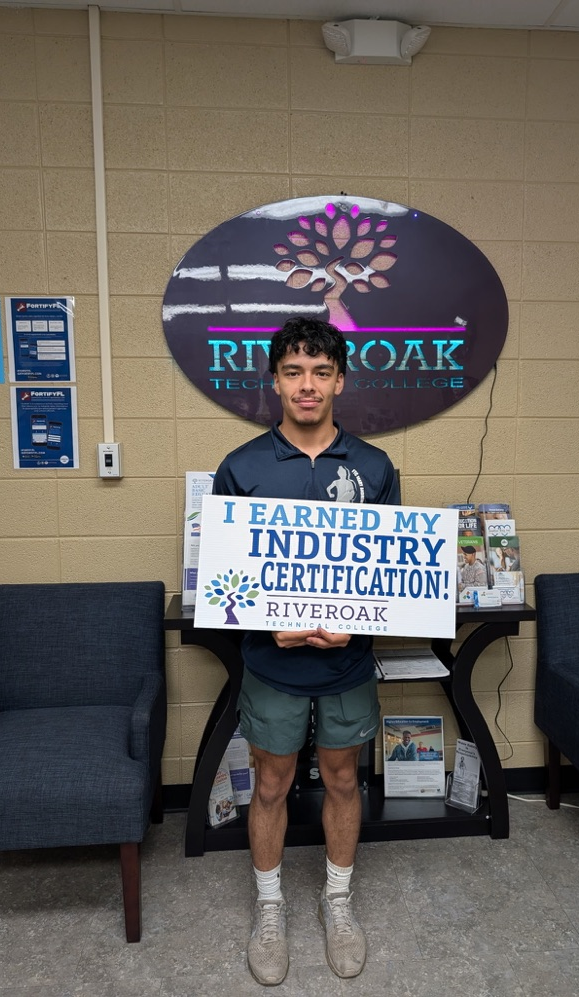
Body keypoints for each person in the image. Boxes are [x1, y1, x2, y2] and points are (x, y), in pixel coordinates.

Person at [212, 317, 400, 986]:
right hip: (273, 662)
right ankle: (270, 907)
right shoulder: (240, 467)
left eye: (321, 371)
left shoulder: (375, 468)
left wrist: (357, 624)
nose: (307, 384)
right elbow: (225, 581)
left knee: (345, 778)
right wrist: (267, 628)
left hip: (345, 663)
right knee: (270, 782)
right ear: (275, 381)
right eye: (293, 371)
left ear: (341, 380)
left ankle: (338, 900)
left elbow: (386, 578)